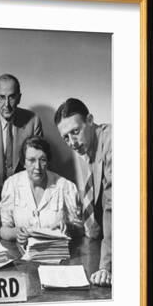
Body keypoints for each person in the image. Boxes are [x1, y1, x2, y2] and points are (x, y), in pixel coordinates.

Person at [55, 98, 112, 287]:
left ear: (90, 119)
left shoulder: (112, 141)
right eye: (66, 137)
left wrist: (107, 266)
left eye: (75, 132)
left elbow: (115, 207)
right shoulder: (87, 148)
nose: (72, 142)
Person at [0, 136, 83, 244]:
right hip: (23, 255)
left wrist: (68, 227)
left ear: (48, 162)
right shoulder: (11, 185)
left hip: (56, 253)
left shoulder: (65, 186)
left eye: (42, 160)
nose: (37, 167)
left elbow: (80, 229)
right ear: (24, 163)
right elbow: (3, 230)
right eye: (31, 160)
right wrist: (16, 233)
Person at [0, 73, 43, 196]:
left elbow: (39, 165)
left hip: (26, 194)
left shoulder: (33, 121)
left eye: (11, 97)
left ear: (19, 98)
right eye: (1, 97)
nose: (6, 104)